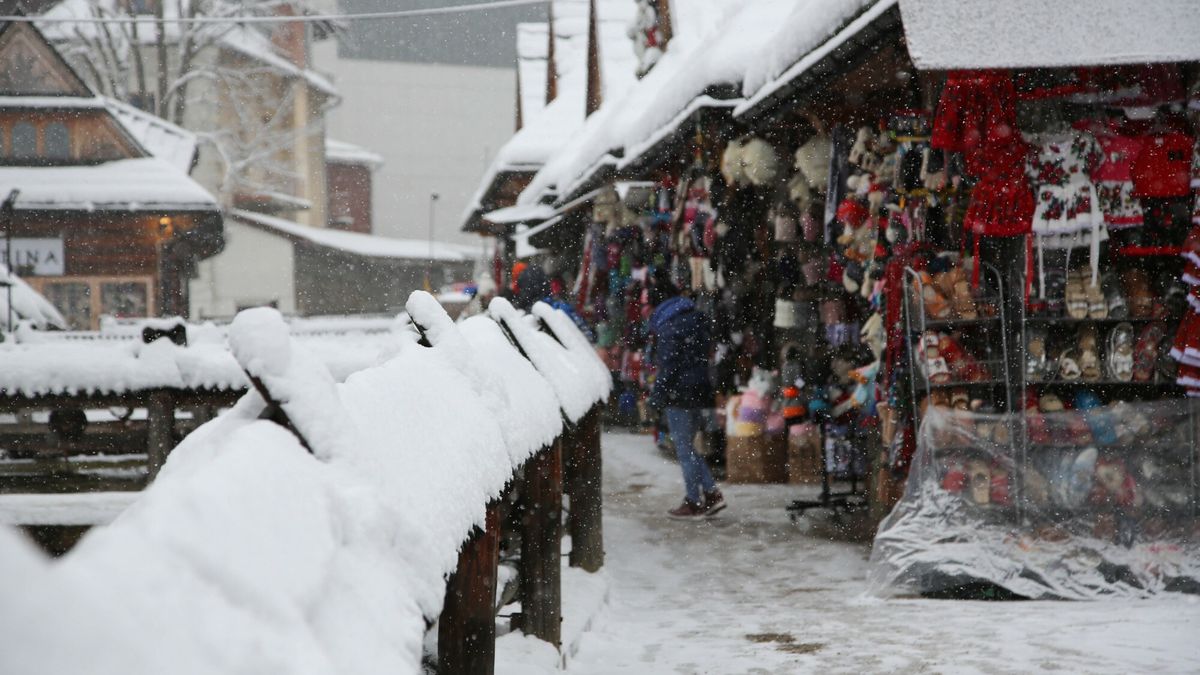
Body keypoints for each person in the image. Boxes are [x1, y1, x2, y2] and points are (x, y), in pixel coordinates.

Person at [647, 277, 726, 519]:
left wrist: (656, 397)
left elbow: (669, 366)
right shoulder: (696, 318)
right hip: (701, 388)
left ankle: (696, 500)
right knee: (688, 447)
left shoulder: (669, 325)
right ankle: (708, 494)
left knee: (684, 449)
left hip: (679, 393)